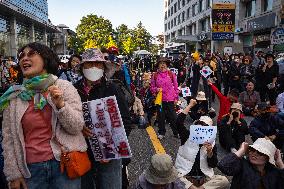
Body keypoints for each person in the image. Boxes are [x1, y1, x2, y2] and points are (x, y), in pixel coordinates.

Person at [0, 42, 86, 189]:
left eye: (31, 54)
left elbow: (76, 126)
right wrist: (13, 174)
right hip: (31, 171)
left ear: (45, 59)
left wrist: (60, 105)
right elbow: (8, 139)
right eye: (22, 56)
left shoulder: (64, 87)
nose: (24, 58)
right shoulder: (14, 96)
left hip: (65, 166)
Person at [73, 48, 132, 189]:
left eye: (98, 64)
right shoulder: (73, 90)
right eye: (89, 64)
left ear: (103, 67)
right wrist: (79, 128)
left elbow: (125, 120)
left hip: (110, 154)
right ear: (82, 67)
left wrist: (113, 148)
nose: (94, 67)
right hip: (82, 152)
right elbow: (67, 118)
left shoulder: (112, 88)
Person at [175, 99, 229, 189]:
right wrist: (189, 105)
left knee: (224, 180)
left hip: (203, 180)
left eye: (205, 126)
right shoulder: (187, 136)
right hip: (185, 175)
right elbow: (178, 123)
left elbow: (213, 165)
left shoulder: (211, 143)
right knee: (172, 176)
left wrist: (210, 153)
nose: (201, 128)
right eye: (199, 124)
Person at [218, 138, 284, 189]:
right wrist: (241, 151)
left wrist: (280, 164)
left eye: (260, 152)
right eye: (252, 150)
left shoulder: (274, 171)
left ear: (268, 158)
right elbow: (223, 166)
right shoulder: (242, 165)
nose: (254, 154)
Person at [150, 57, 179, 139]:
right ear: (158, 66)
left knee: (173, 117)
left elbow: (176, 87)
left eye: (164, 63)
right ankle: (161, 132)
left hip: (170, 99)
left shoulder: (171, 74)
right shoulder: (155, 75)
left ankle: (176, 132)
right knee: (160, 117)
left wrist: (176, 98)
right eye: (160, 63)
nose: (162, 65)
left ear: (167, 65)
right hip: (160, 100)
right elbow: (152, 88)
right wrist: (156, 89)